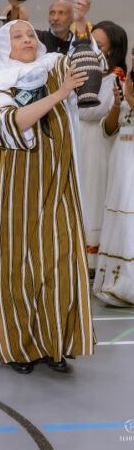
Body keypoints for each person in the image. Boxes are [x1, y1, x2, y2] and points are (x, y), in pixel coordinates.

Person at [0, 20, 97, 374]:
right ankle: (18, 346)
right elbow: (7, 124)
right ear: (4, 47)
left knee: (59, 261)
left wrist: (82, 36)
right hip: (12, 189)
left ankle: (54, 343)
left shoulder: (54, 67)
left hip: (58, 183)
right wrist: (59, 94)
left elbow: (91, 68)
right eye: (17, 36)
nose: (27, 40)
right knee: (15, 266)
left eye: (30, 34)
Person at [77, 21, 128, 272]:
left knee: (94, 195)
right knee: (79, 194)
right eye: (91, 42)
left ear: (111, 49)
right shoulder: (86, 71)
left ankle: (93, 260)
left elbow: (91, 111)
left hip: (98, 143)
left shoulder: (115, 77)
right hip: (79, 141)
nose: (93, 48)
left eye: (99, 44)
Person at [94, 53, 134, 306]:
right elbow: (108, 130)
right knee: (121, 217)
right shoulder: (127, 86)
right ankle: (119, 284)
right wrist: (119, 104)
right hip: (122, 162)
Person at [6, 0, 92, 54]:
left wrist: (81, 19)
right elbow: (12, 34)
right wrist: (15, 8)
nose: (55, 18)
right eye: (52, 13)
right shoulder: (36, 38)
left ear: (72, 17)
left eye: (61, 13)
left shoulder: (76, 44)